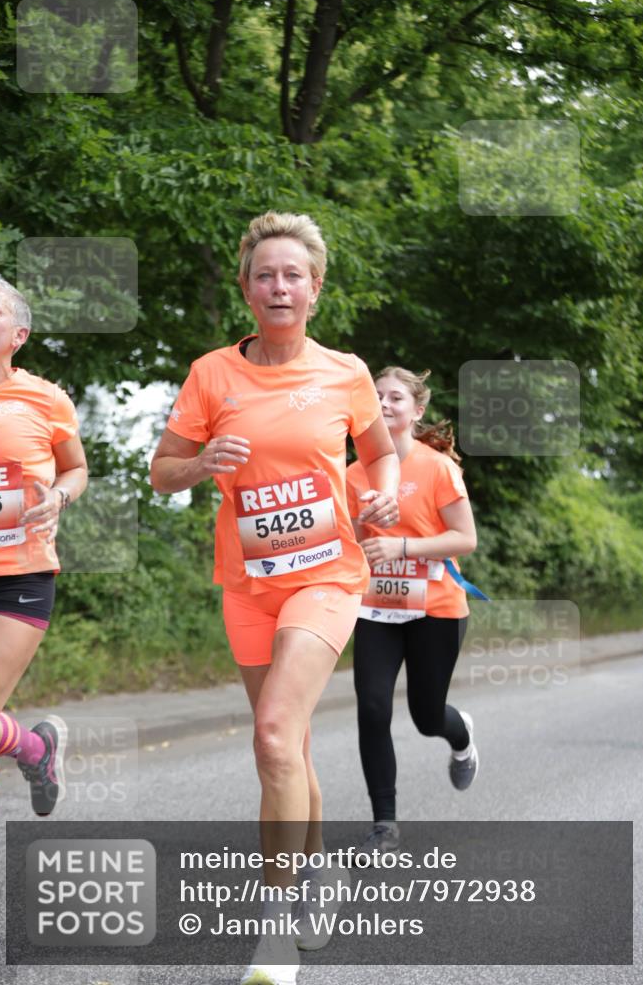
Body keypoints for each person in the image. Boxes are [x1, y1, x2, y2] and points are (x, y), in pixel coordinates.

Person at [150, 212, 399, 985]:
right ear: (245, 288)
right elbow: (162, 470)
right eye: (265, 274)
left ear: (315, 290)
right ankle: (319, 873)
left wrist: (384, 496)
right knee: (284, 751)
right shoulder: (211, 375)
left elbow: (381, 450)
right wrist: (201, 465)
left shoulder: (345, 373)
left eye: (293, 274)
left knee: (269, 734)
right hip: (247, 585)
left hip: (326, 576)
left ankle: (275, 929)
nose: (279, 285)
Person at [347, 366, 484, 858]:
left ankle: (460, 734)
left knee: (426, 716)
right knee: (372, 708)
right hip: (377, 608)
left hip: (437, 608)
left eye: (395, 397)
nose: (383, 404)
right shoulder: (353, 474)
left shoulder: (437, 468)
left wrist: (402, 547)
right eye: (376, 396)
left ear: (416, 410)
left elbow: (465, 539)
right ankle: (385, 826)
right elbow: (350, 542)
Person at [0, 272, 88, 817]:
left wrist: (59, 497)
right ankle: (36, 748)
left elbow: (75, 470)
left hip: (18, 574)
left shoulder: (45, 399)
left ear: (18, 334)